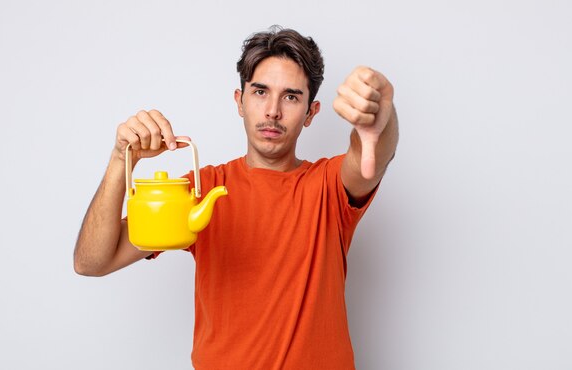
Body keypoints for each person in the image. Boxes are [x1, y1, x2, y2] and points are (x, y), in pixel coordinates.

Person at [74, 26, 399, 370]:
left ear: (310, 113)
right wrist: (119, 160)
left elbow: (370, 156)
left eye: (291, 97)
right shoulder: (201, 190)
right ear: (239, 101)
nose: (273, 110)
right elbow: (92, 262)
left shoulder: (328, 186)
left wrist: (380, 116)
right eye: (260, 92)